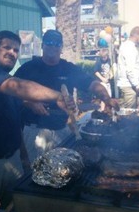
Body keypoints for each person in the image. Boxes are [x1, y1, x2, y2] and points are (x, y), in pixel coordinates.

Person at [0, 30, 75, 207]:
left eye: (16, 50)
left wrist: (24, 157)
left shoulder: (6, 81)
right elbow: (19, 86)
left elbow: (13, 122)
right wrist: (58, 96)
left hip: (11, 161)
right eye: (7, 47)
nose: (12, 53)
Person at [14, 29, 119, 162]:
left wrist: (106, 98)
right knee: (36, 172)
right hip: (35, 129)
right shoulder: (28, 68)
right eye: (49, 42)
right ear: (42, 46)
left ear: (61, 47)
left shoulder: (68, 69)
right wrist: (29, 103)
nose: (53, 46)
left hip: (63, 129)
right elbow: (11, 94)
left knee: (64, 170)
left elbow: (92, 84)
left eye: (57, 43)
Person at [116, 26, 139, 108]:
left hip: (127, 84)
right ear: (137, 35)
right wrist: (137, 85)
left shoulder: (125, 45)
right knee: (129, 115)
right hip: (129, 86)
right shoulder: (130, 48)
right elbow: (130, 70)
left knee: (126, 112)